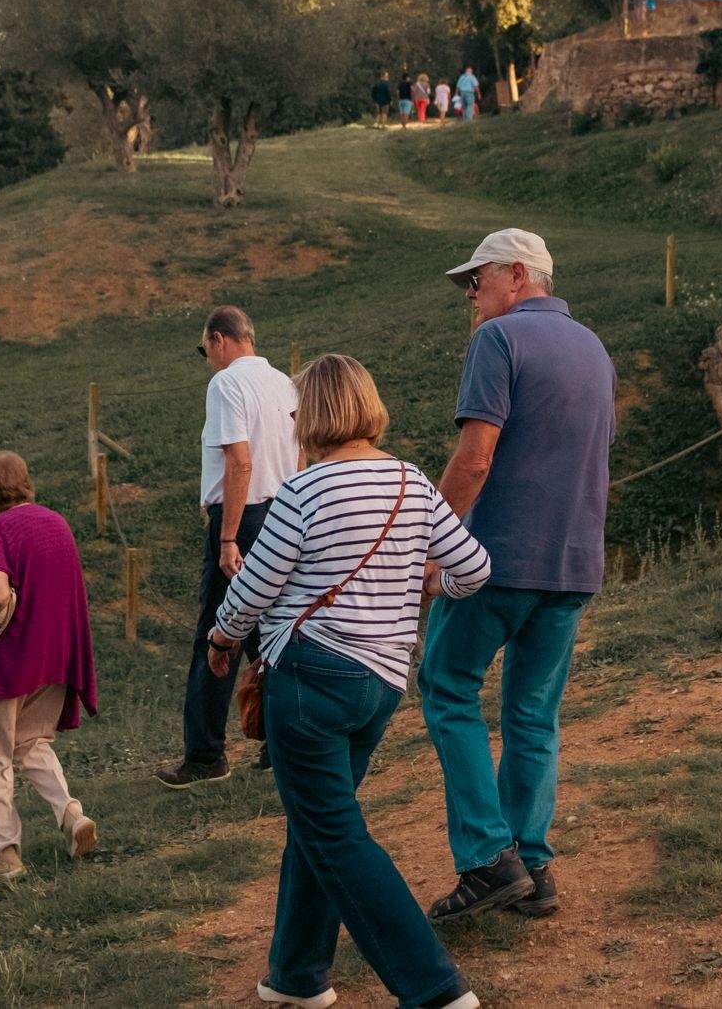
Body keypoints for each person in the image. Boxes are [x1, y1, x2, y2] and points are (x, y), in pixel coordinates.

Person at [209, 353, 490, 1009]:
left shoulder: (305, 491)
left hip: (310, 679)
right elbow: (473, 569)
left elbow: (253, 586)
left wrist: (222, 637)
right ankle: (296, 975)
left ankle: (436, 989)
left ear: (315, 413)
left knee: (335, 832)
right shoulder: (411, 482)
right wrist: (427, 581)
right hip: (382, 683)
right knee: (320, 819)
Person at [419, 229, 616, 923]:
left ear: (516, 274)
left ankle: (484, 857)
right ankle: (532, 860)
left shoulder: (498, 343)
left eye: (476, 279)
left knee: (446, 686)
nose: (470, 294)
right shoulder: (594, 348)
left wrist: (429, 544)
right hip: (573, 563)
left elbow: (475, 459)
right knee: (533, 713)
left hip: (497, 560)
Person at [156, 305, 302, 788]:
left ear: (220, 339)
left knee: (218, 631)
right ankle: (279, 742)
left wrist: (226, 537)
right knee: (272, 629)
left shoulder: (225, 384)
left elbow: (238, 463)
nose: (207, 359)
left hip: (242, 517)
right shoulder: (284, 382)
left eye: (205, 349)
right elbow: (300, 452)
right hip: (285, 508)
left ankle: (205, 753)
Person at [0, 451, 101, 881]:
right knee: (32, 742)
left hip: (9, 659)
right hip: (56, 654)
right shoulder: (55, 522)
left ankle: (4, 855)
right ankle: (72, 816)